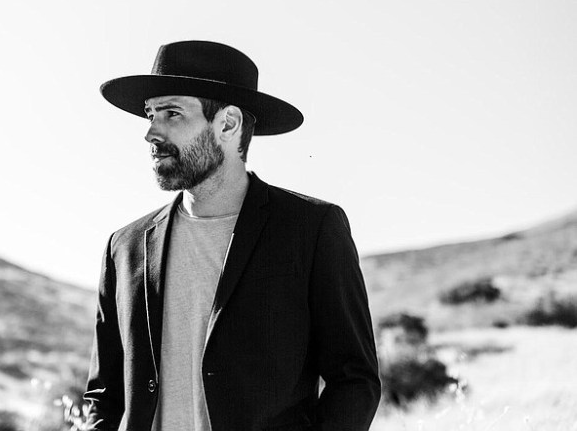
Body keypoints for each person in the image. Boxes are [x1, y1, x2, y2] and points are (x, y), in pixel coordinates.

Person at [85, 40, 380, 431]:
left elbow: (354, 379)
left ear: (228, 124)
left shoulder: (310, 229)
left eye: (171, 113)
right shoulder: (124, 248)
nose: (151, 133)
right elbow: (103, 395)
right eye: (150, 114)